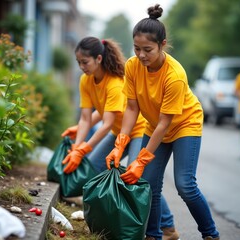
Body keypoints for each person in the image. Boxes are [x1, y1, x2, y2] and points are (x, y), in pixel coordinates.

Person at [105, 4, 219, 240]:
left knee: (185, 185)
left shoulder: (174, 75)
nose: (141, 55)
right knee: (149, 184)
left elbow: (165, 124)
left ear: (162, 45)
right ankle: (154, 235)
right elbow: (132, 107)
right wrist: (120, 144)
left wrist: (141, 159)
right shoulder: (133, 66)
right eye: (136, 48)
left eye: (148, 49)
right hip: (153, 124)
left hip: (184, 124)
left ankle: (210, 234)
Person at [61, 37, 145, 174]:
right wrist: (76, 147)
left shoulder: (114, 84)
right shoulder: (85, 81)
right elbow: (85, 119)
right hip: (118, 132)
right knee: (92, 169)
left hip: (139, 131)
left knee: (134, 179)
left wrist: (83, 150)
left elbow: (107, 124)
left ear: (98, 59)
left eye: (85, 62)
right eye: (79, 62)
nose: (81, 67)